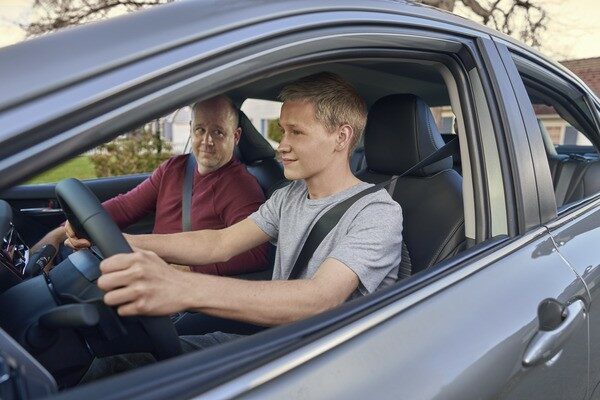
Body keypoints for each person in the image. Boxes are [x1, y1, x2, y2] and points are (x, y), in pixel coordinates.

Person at [80, 72, 403, 380]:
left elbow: (319, 299)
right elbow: (218, 244)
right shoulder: (289, 196)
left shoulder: (377, 213)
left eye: (296, 132)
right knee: (118, 363)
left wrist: (182, 287)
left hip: (323, 361)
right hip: (279, 341)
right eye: (282, 131)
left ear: (341, 137)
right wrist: (126, 241)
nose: (281, 145)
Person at [34, 95, 269, 276]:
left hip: (182, 292)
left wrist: (182, 273)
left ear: (236, 136)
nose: (207, 141)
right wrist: (57, 235)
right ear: (191, 129)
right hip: (146, 271)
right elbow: (126, 206)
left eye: (218, 132)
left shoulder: (242, 187)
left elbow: (255, 253)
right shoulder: (174, 168)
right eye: (200, 130)